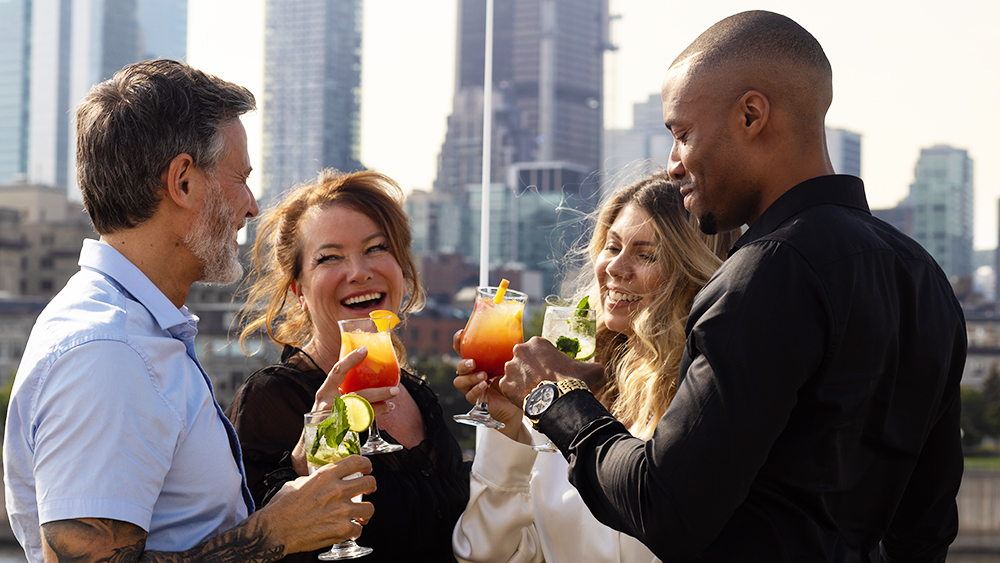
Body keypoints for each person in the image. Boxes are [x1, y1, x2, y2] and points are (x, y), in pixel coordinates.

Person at [495, 11, 967, 562]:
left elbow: (665, 505)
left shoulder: (764, 271)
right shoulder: (924, 275)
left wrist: (557, 397)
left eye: (681, 134)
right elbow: (927, 528)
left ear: (750, 115)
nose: (673, 164)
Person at [2, 60, 374, 563]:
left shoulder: (135, 335)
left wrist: (296, 482)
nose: (252, 206)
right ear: (182, 181)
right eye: (240, 178)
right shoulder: (109, 354)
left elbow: (187, 528)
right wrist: (273, 534)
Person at [451, 170, 740, 563]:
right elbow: (489, 554)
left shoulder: (711, 394)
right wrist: (507, 425)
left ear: (691, 270)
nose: (616, 268)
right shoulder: (562, 387)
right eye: (612, 246)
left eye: (646, 254)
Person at [226, 168, 471, 563]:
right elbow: (245, 546)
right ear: (299, 290)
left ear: (403, 270)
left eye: (376, 248)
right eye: (329, 257)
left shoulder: (419, 395)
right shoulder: (273, 399)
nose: (358, 272)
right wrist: (301, 470)